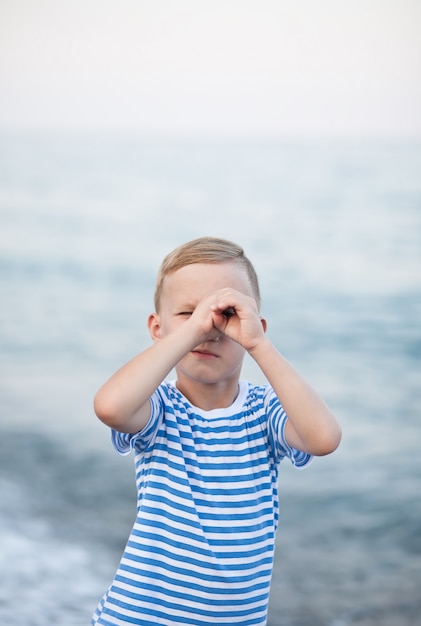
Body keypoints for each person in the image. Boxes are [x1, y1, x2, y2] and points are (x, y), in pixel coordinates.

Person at [91, 236, 341, 626]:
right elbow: (110, 406)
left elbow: (323, 439)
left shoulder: (264, 413)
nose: (208, 328)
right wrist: (191, 331)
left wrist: (260, 345)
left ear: (254, 325)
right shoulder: (159, 409)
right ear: (157, 328)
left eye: (225, 314)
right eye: (188, 313)